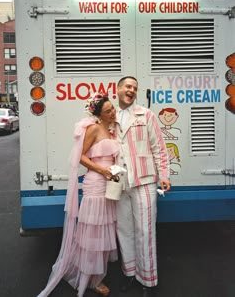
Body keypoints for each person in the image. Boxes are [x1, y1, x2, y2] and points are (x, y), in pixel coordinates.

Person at [37, 92, 119, 297]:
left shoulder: (110, 129)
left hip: (108, 183)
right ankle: (89, 279)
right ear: (99, 114)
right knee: (92, 232)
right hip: (96, 183)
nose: (113, 112)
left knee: (103, 229)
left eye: (113, 108)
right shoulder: (93, 128)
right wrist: (102, 170)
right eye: (108, 110)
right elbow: (80, 156)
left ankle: (97, 274)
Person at [115, 76, 171, 297]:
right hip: (119, 183)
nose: (131, 90)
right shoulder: (108, 116)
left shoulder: (146, 114)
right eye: (128, 86)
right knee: (124, 230)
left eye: (135, 88)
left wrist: (164, 175)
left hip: (145, 180)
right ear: (118, 89)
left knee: (145, 231)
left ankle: (146, 279)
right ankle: (130, 273)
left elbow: (159, 148)